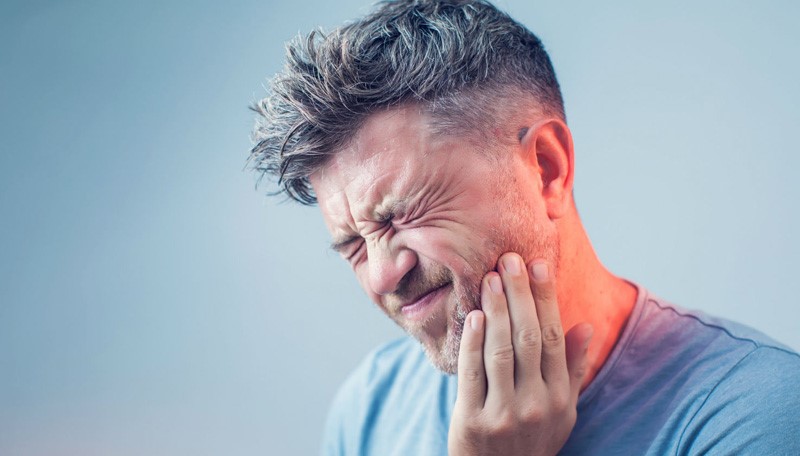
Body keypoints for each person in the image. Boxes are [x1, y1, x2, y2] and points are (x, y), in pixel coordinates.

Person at [249, 0, 800, 454]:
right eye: (352, 246)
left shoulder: (757, 418)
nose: (382, 276)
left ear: (547, 169)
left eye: (403, 214)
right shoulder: (369, 409)